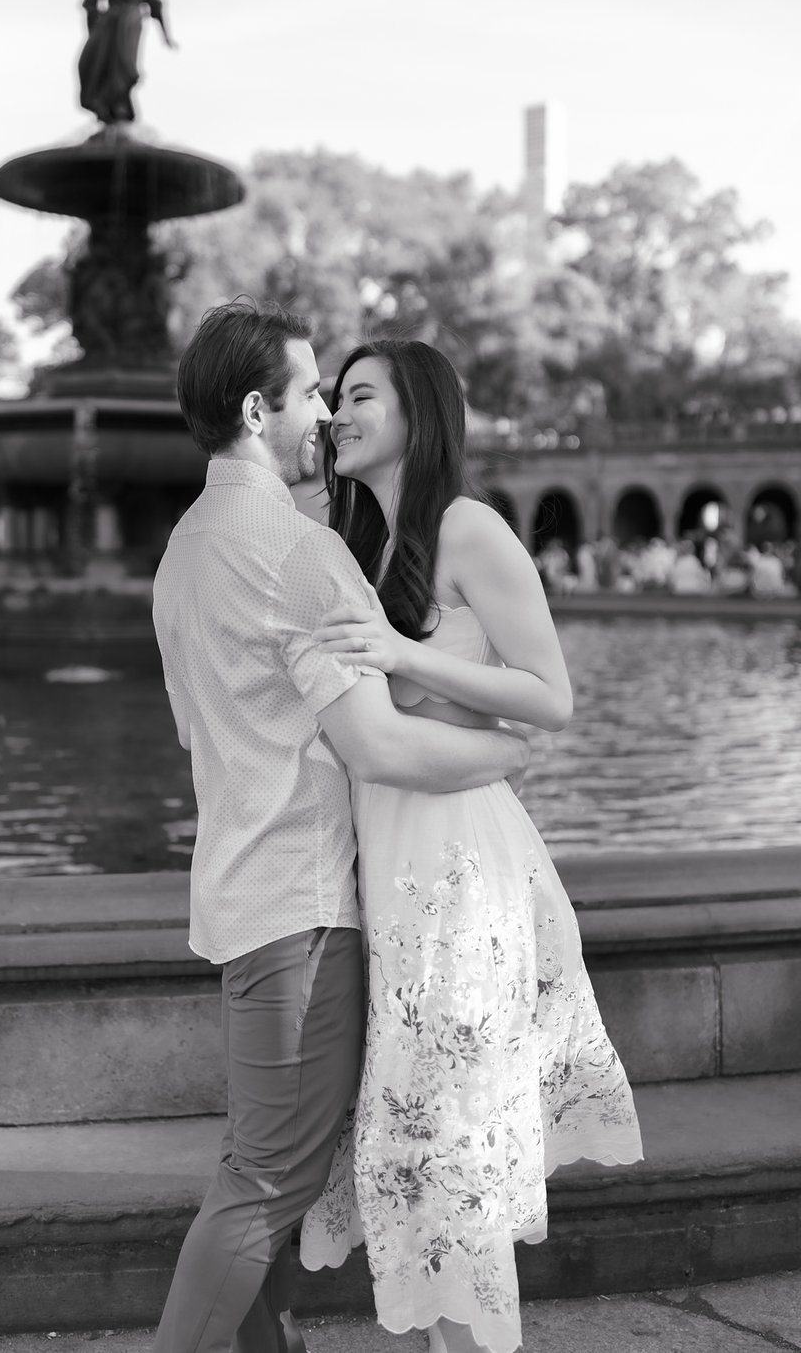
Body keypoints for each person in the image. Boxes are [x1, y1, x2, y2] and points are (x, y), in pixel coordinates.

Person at [151, 304, 529, 1353]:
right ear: (254, 408)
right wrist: (507, 751)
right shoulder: (299, 552)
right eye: (311, 391)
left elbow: (192, 730)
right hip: (305, 913)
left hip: (235, 893)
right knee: (267, 1182)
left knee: (265, 1166)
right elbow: (380, 747)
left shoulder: (180, 553)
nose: (322, 411)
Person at [300, 340, 643, 1353]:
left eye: (360, 395)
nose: (336, 413)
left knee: (448, 1133)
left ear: (419, 410)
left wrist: (407, 655)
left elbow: (553, 699)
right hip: (383, 868)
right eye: (332, 397)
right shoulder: (352, 539)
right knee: (410, 1135)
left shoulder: (467, 528)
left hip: (459, 868)